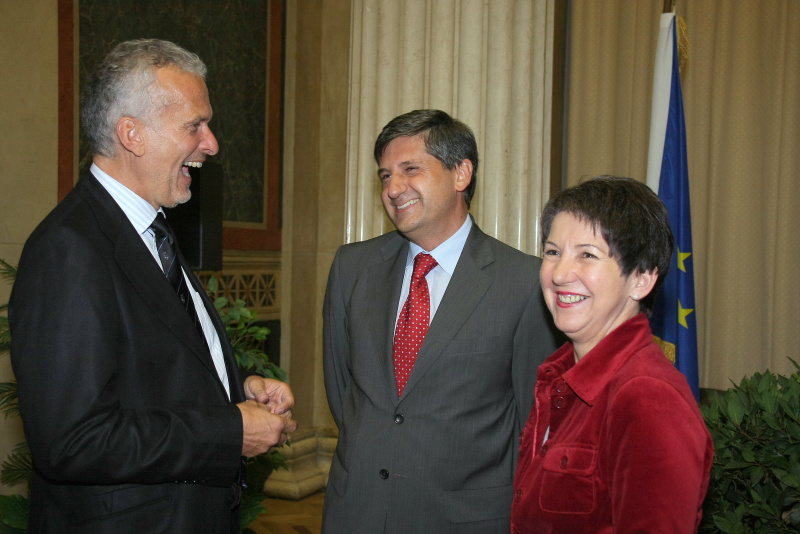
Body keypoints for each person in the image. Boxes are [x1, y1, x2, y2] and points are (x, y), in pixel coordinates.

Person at [9, 39, 297, 533]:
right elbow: (72, 441)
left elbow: (149, 365)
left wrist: (235, 388)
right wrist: (230, 431)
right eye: (194, 126)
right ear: (132, 134)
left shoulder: (152, 230)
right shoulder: (69, 249)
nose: (211, 144)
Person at [322, 109, 560, 533]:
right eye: (384, 176)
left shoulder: (524, 282)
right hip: (357, 512)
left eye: (410, 169)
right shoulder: (351, 267)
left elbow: (533, 423)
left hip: (463, 519)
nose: (394, 189)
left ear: (460, 173)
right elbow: (344, 392)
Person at [511, 176, 714, 533]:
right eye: (553, 252)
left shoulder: (648, 396)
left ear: (641, 279)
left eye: (587, 255)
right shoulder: (558, 378)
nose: (559, 274)